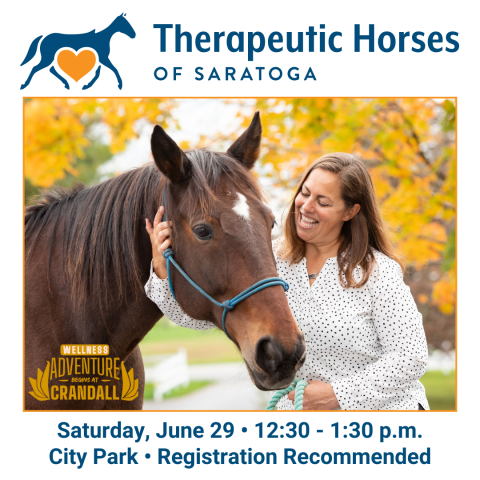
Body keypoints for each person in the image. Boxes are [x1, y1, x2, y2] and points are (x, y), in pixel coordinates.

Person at [145, 153, 429, 410]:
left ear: (349, 212)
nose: (306, 207)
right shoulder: (272, 259)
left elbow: (411, 356)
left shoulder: (376, 271)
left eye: (323, 201)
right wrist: (161, 267)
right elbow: (209, 315)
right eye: (305, 193)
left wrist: (337, 395)